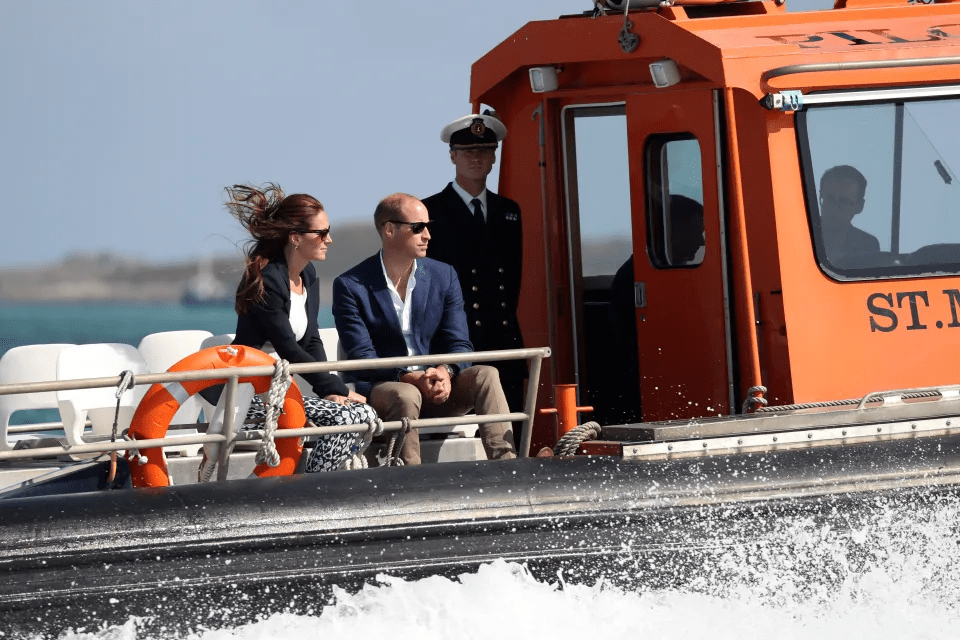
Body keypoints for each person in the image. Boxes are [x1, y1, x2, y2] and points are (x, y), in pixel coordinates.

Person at [332, 193, 518, 466]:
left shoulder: (445, 275)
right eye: (418, 227)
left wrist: (446, 371)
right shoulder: (350, 285)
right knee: (407, 394)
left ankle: (508, 469)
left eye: (428, 226)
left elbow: (460, 344)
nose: (428, 235)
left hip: (436, 386)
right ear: (389, 229)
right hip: (386, 390)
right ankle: (411, 481)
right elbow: (363, 359)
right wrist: (409, 377)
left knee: (486, 375)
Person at [222, 183, 378, 473]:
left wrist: (329, 392)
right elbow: (288, 348)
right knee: (347, 417)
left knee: (363, 412)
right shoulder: (268, 280)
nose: (329, 239)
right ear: (295, 238)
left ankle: (318, 482)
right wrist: (334, 386)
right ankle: (317, 486)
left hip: (284, 394)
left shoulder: (308, 275)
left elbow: (311, 341)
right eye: (321, 233)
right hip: (252, 398)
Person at [422, 112, 526, 450]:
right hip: (460, 339)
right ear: (452, 156)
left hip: (503, 337)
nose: (476, 158)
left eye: (483, 151)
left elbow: (512, 280)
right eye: (467, 151)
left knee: (513, 431)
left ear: (494, 157)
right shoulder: (430, 213)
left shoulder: (508, 211)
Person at [818, 165, 880, 263]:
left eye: (843, 202)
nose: (834, 208)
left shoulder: (868, 246)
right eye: (830, 199)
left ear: (859, 207)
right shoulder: (801, 235)